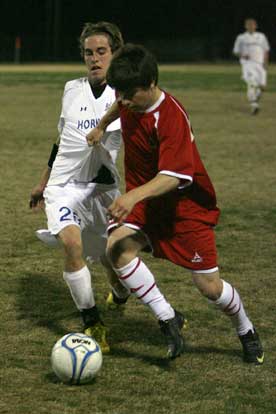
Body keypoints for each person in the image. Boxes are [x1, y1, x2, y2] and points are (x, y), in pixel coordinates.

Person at [86, 43, 264, 364]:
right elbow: (118, 105)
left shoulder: (170, 118)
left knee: (210, 288)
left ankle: (246, 329)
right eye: (120, 93)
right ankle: (168, 319)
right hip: (146, 202)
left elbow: (173, 177)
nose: (123, 100)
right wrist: (101, 125)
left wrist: (131, 196)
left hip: (185, 209)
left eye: (129, 94)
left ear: (151, 83)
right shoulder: (127, 97)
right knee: (116, 249)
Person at [29, 21, 130, 353]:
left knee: (108, 257)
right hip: (64, 187)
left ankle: (120, 293)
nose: (94, 59)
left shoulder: (125, 95)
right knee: (72, 244)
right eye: (89, 53)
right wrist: (44, 182)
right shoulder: (71, 89)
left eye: (101, 52)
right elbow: (61, 141)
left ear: (115, 54)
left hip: (102, 190)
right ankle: (92, 321)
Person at [233, 18, 270, 115]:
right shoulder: (241, 37)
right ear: (246, 26)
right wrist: (242, 55)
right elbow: (236, 51)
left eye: (252, 24)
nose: (251, 26)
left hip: (260, 64)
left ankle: (255, 98)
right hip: (248, 64)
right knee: (252, 83)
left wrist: (265, 63)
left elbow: (266, 50)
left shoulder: (261, 37)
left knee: (262, 87)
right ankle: (254, 105)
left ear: (256, 26)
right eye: (248, 25)